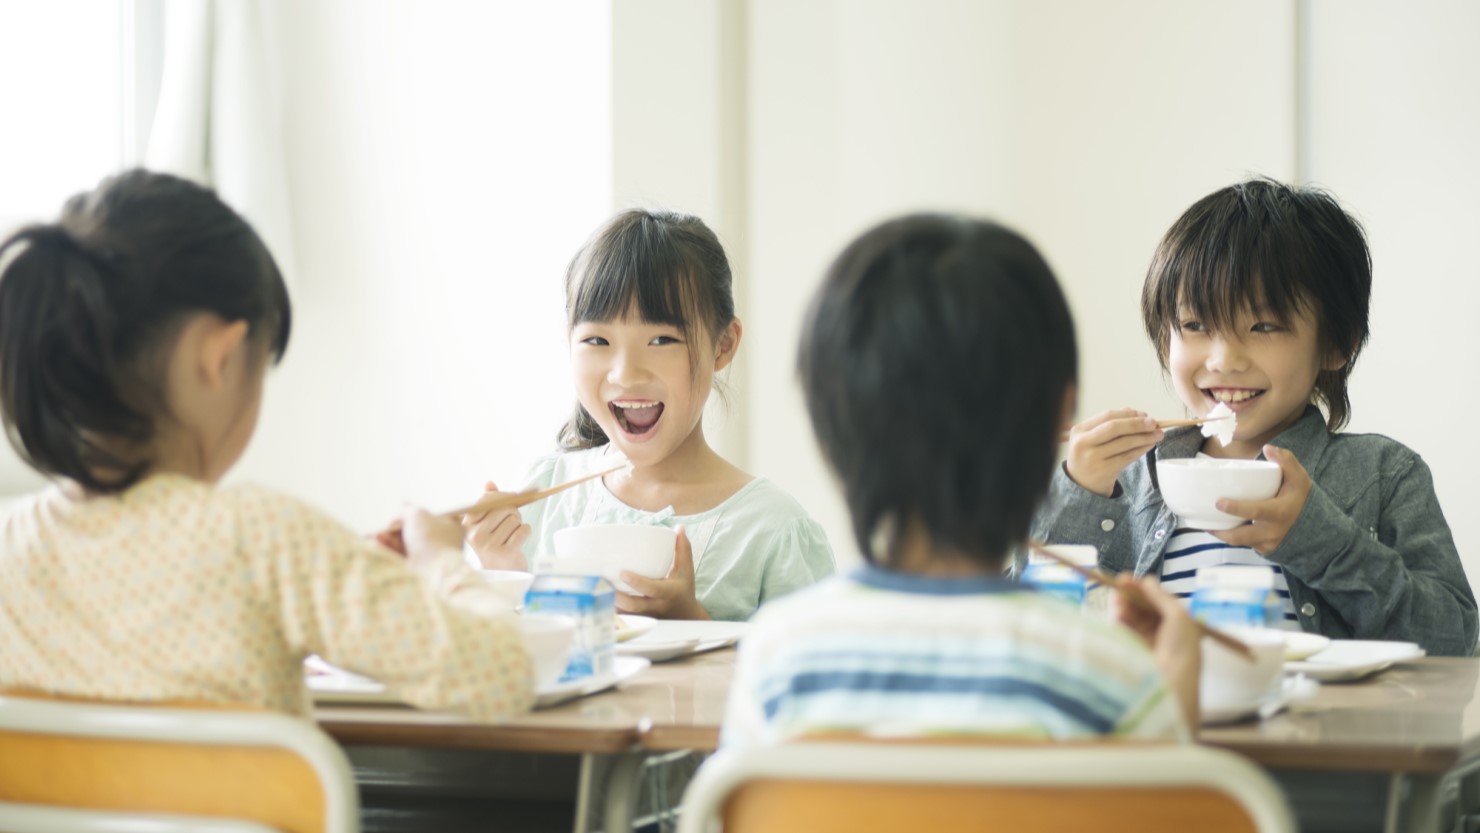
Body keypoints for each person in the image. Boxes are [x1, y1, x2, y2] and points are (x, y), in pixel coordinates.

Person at [0, 170, 534, 719]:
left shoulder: (10, 548)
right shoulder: (265, 542)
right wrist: (440, 562)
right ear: (221, 358)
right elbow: (504, 675)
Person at [723, 214, 1201, 747]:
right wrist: (1173, 704)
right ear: (1060, 415)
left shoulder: (777, 661)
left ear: (827, 425)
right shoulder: (1109, 674)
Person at [1034, 178, 1476, 656]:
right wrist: (1077, 496)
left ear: (1336, 343)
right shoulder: (1127, 480)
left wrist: (1321, 541)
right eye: (1195, 325)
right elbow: (1028, 637)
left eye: (1263, 325)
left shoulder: (1386, 474)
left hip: (1329, 730)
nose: (1224, 359)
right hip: (1165, 727)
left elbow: (1454, 643)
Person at [465, 209, 834, 622]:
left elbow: (812, 678)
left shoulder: (774, 531)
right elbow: (508, 668)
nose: (626, 373)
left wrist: (693, 622)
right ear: (568, 343)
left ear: (723, 345)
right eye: (597, 340)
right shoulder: (540, 497)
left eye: (662, 339)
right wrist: (502, 574)